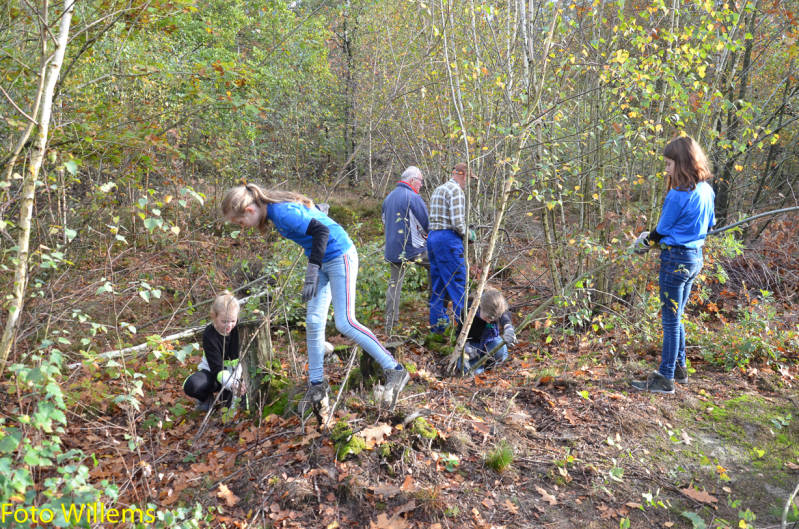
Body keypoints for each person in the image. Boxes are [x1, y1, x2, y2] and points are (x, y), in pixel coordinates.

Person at [221, 183, 410, 413]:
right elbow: (311, 217)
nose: (243, 227)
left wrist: (312, 269)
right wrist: (318, 214)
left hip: (340, 256)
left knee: (345, 322)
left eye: (240, 223)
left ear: (250, 210)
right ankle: (317, 385)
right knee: (312, 321)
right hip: (321, 261)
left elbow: (322, 231)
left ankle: (395, 369)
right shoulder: (274, 211)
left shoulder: (281, 212)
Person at [630, 135, 715, 394]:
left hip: (675, 261)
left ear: (682, 163)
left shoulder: (679, 194)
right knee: (676, 317)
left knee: (669, 321)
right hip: (694, 259)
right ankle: (679, 368)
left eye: (669, 164)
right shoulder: (707, 190)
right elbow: (710, 225)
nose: (666, 169)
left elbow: (661, 230)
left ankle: (665, 378)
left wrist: (643, 243)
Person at [427, 162, 477, 333]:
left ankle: (438, 331)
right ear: (462, 174)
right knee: (458, 285)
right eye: (469, 178)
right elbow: (457, 223)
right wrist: (468, 234)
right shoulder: (456, 191)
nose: (468, 183)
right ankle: (463, 333)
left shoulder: (438, 190)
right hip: (448, 240)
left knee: (438, 287)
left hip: (433, 238)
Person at [382, 166, 429, 334]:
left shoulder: (388, 198)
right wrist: (427, 240)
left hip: (393, 250)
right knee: (437, 264)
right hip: (413, 250)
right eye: (420, 181)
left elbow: (384, 222)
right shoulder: (413, 197)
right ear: (412, 181)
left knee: (394, 285)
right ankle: (435, 311)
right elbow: (426, 224)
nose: (421, 185)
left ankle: (390, 325)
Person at [183, 292, 243, 411]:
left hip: (237, 375)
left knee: (237, 405)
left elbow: (243, 361)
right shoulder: (209, 335)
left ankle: (227, 395)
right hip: (214, 374)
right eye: (224, 321)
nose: (229, 326)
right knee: (192, 386)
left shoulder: (241, 328)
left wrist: (238, 382)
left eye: (232, 321)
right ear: (214, 317)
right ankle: (206, 399)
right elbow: (217, 368)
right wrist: (231, 384)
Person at [456, 287, 518, 374]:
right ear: (480, 306)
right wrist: (465, 347)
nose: (489, 321)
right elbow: (458, 333)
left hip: (489, 340)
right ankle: (479, 367)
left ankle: (489, 365)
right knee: (471, 371)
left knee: (501, 352)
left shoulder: (497, 308)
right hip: (472, 345)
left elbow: (505, 314)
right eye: (487, 317)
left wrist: (508, 328)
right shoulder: (468, 311)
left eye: (493, 319)